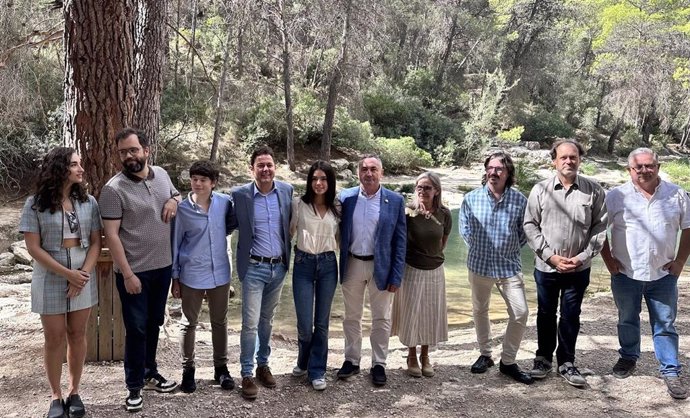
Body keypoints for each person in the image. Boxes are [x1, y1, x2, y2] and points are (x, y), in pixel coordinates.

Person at [99, 128, 180, 412]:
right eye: (123, 152)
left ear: (146, 150)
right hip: (135, 272)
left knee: (154, 322)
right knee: (135, 329)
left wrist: (173, 200)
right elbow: (112, 236)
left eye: (133, 150)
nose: (128, 156)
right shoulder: (113, 190)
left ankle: (150, 372)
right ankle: (134, 387)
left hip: (163, 267)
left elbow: (176, 195)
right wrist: (128, 273)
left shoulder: (161, 174)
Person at [600, 148, 690, 399]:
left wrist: (680, 261)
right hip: (625, 274)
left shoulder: (677, 194)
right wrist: (609, 261)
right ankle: (628, 357)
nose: (644, 170)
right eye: (637, 167)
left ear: (658, 167)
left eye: (649, 165)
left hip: (663, 275)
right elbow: (598, 231)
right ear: (629, 170)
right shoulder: (615, 196)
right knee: (627, 318)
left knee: (665, 324)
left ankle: (670, 370)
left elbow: (688, 228)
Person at [19, 147, 102, 418]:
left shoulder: (88, 202)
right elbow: (33, 248)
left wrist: (82, 275)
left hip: (82, 275)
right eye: (75, 164)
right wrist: (68, 275)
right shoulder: (35, 203)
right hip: (50, 277)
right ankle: (56, 396)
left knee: (77, 335)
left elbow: (95, 243)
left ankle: (74, 391)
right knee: (54, 338)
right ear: (59, 169)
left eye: (80, 164)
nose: (81, 169)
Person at [523, 139, 607, 387]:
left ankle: (567, 362)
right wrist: (549, 256)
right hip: (547, 267)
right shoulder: (540, 190)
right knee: (546, 314)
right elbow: (530, 225)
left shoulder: (594, 191)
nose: (569, 161)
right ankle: (543, 358)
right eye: (563, 157)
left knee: (571, 315)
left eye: (573, 157)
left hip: (578, 269)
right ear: (554, 161)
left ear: (580, 160)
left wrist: (581, 258)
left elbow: (600, 228)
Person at [460, 152, 533, 385]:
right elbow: (465, 229)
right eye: (490, 168)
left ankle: (508, 361)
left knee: (521, 313)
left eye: (499, 169)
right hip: (479, 265)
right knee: (480, 310)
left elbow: (525, 234)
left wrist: (506, 249)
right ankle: (485, 354)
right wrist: (481, 249)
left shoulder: (520, 201)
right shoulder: (471, 198)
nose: (493, 172)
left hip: (508, 267)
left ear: (508, 172)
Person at [226, 146, 293, 400]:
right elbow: (226, 224)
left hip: (278, 267)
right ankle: (246, 373)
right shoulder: (240, 195)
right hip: (253, 267)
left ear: (275, 167)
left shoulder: (286, 191)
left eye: (269, 165)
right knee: (250, 324)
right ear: (251, 168)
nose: (265, 169)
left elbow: (292, 224)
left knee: (267, 321)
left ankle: (263, 365)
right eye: (260, 165)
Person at [336, 154, 406, 386]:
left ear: (381, 173)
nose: (368, 173)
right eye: (364, 169)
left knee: (381, 317)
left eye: (373, 169)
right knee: (352, 316)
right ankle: (352, 360)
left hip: (381, 266)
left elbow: (400, 241)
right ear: (358, 173)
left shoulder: (395, 201)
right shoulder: (346, 198)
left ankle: (379, 363)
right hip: (352, 263)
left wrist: (396, 274)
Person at [171, 160, 234, 393]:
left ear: (213, 183)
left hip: (220, 273)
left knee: (220, 322)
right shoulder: (182, 210)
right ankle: (188, 371)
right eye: (194, 179)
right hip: (191, 273)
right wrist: (175, 277)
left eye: (203, 180)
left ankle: (221, 369)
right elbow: (175, 244)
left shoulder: (225, 203)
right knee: (188, 323)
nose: (198, 184)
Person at [391, 171, 451, 378]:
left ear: (436, 190)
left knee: (430, 315)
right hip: (412, 269)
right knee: (412, 314)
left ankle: (426, 356)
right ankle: (411, 355)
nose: (422, 191)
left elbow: (442, 243)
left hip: (435, 270)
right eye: (419, 187)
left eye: (427, 187)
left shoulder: (445, 213)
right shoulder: (408, 212)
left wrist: (430, 256)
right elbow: (398, 242)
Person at [290, 161, 340, 391]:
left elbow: (341, 239)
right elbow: (289, 233)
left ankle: (317, 369)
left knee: (321, 323)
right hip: (303, 264)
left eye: (323, 179)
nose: (319, 183)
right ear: (310, 181)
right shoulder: (298, 204)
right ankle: (303, 359)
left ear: (330, 183)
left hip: (329, 264)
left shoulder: (337, 207)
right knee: (304, 322)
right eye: (314, 179)